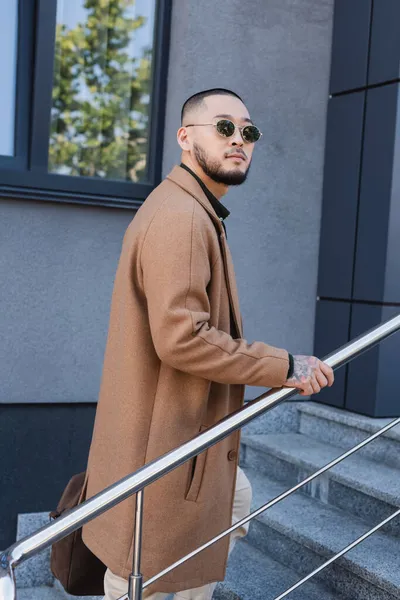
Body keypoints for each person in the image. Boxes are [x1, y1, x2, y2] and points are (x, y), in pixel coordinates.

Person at [81, 88, 334, 600]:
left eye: (248, 131)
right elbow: (182, 338)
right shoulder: (182, 217)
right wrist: (283, 364)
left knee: (228, 505)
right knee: (141, 572)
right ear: (184, 137)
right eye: (223, 127)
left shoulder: (192, 209)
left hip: (177, 440)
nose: (239, 139)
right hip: (166, 443)